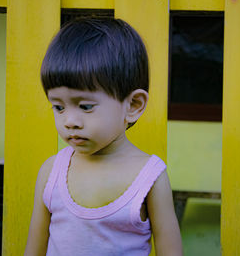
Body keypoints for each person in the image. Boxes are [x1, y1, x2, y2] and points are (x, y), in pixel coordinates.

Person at [24, 17, 183, 256]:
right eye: (58, 107)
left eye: (86, 107)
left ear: (133, 105)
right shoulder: (52, 172)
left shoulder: (149, 177)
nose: (70, 121)